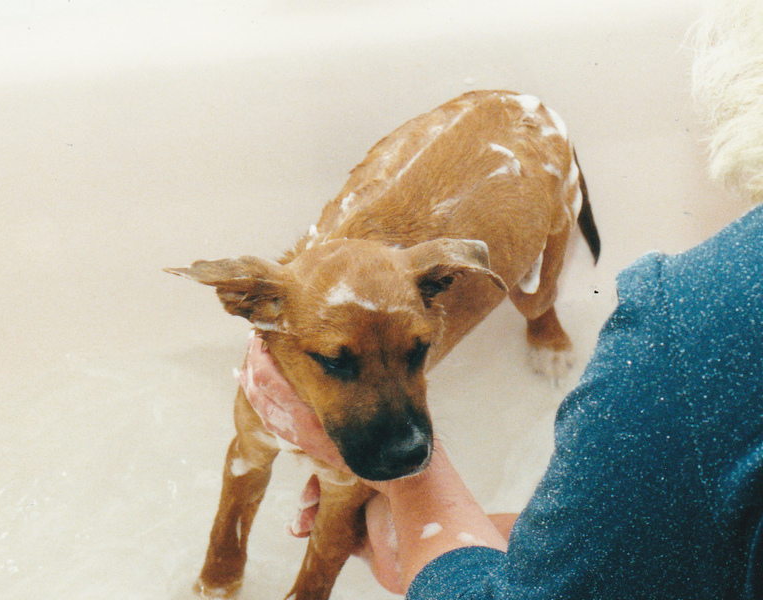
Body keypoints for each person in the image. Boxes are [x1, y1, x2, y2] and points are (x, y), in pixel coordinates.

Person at [237, 1, 763, 596]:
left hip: (522, 185)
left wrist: (417, 510)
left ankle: (545, 319)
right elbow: (633, 547)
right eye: (337, 361)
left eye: (416, 352)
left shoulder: (684, 328)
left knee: (535, 300)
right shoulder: (698, 328)